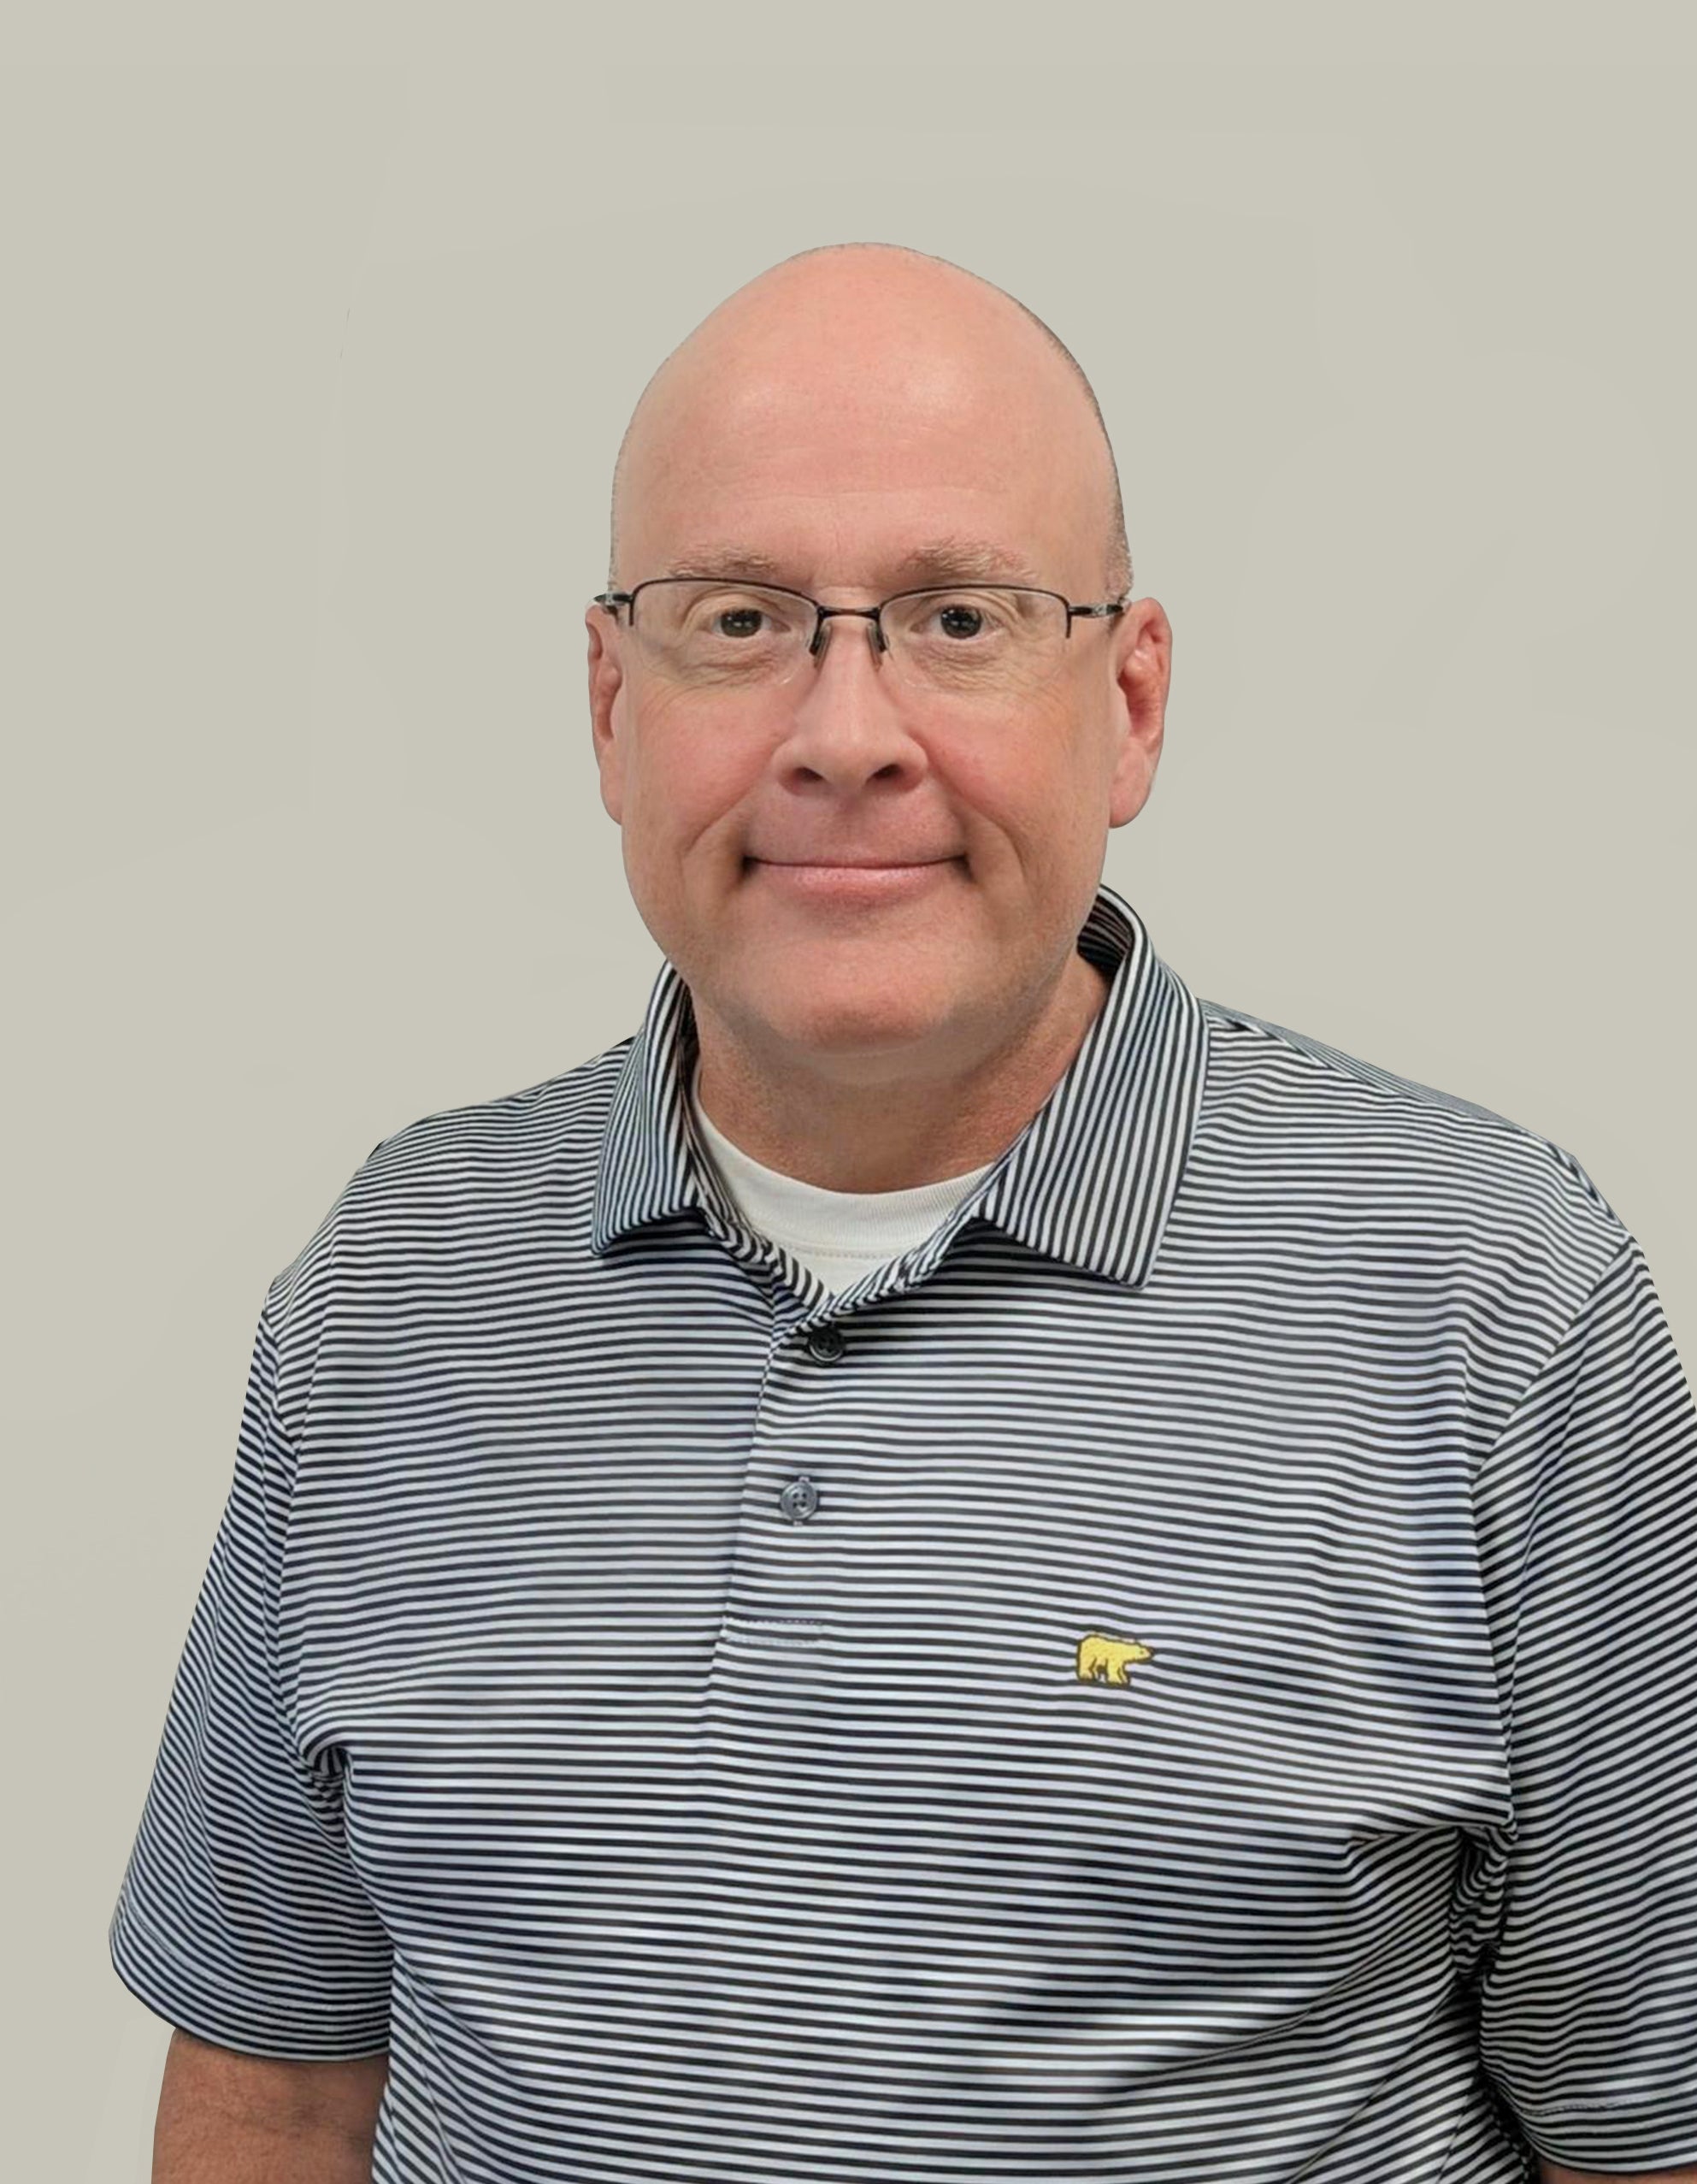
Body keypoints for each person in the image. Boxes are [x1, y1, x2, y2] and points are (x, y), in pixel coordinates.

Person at [111, 241, 1697, 2184]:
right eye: (739, 618)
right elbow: (274, 2086)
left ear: (1130, 701)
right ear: (611, 706)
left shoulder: (1488, 1299)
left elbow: (1655, 2128)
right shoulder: (392, 1281)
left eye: (958, 617)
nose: (845, 731)